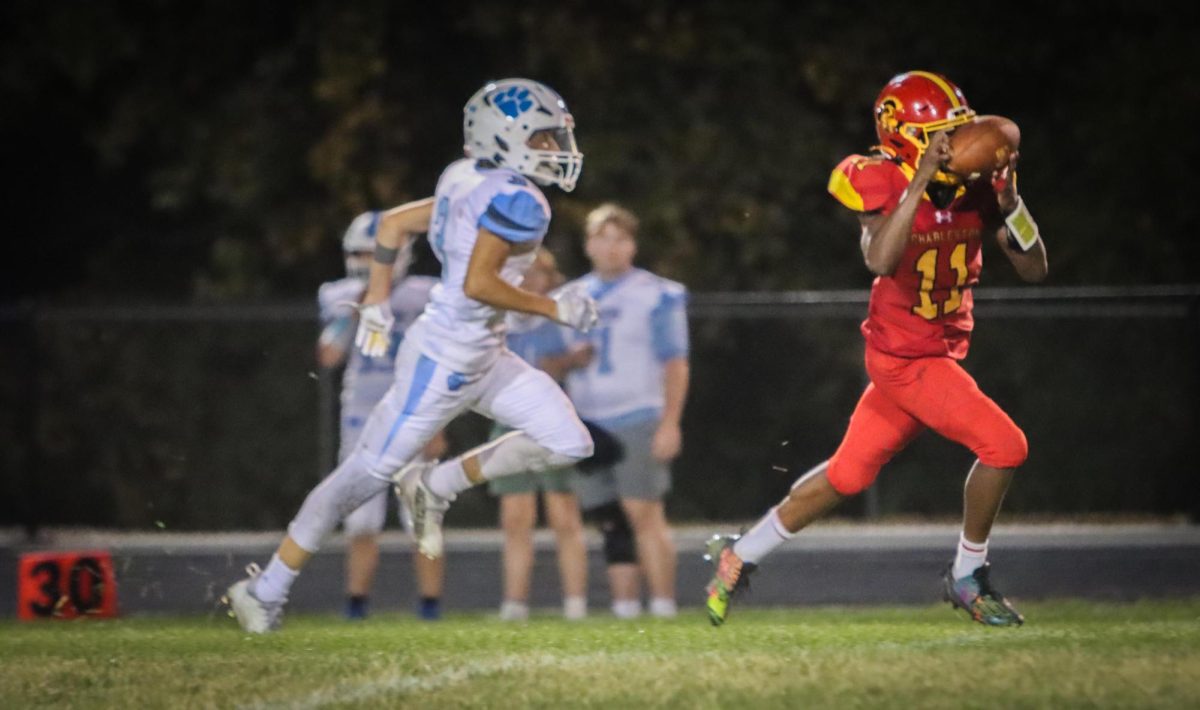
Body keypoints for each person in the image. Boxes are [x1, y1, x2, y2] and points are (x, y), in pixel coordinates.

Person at [225, 77, 598, 633]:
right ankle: (264, 589)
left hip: (483, 353)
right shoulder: (522, 200)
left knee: (570, 441)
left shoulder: (463, 174)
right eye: (543, 139)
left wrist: (377, 296)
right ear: (506, 137)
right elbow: (478, 284)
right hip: (444, 360)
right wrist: (552, 308)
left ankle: (436, 485)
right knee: (361, 478)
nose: (556, 151)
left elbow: (394, 224)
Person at [704, 71, 1048, 628]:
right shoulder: (881, 179)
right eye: (941, 131)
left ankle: (739, 554)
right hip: (907, 360)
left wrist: (1011, 204)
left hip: (937, 351)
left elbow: (1035, 269)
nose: (954, 141)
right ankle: (968, 574)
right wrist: (919, 186)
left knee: (848, 476)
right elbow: (881, 260)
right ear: (906, 136)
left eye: (958, 128)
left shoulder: (979, 188)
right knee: (1006, 447)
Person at [316, 212, 447, 620]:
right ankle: (356, 605)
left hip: (414, 410)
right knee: (360, 518)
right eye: (360, 254)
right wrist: (356, 309)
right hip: (362, 414)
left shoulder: (426, 294)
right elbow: (328, 355)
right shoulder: (340, 295)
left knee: (422, 516)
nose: (366, 262)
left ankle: (429, 607)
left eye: (374, 254)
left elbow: (443, 357)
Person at [563, 203, 690, 619]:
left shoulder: (656, 293)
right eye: (602, 237)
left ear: (633, 245)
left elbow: (675, 362)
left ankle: (664, 604)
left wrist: (670, 422)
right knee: (608, 517)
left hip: (637, 412)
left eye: (620, 238)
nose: (611, 247)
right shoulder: (570, 296)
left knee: (643, 512)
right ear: (588, 244)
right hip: (585, 419)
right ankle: (624, 609)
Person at [489, 248, 590, 622]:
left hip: (551, 423)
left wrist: (561, 363)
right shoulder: (499, 318)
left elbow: (583, 353)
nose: (530, 280)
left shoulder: (557, 316)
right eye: (523, 273)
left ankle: (575, 603)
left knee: (563, 515)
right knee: (515, 517)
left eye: (538, 273)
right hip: (509, 421)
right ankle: (514, 604)